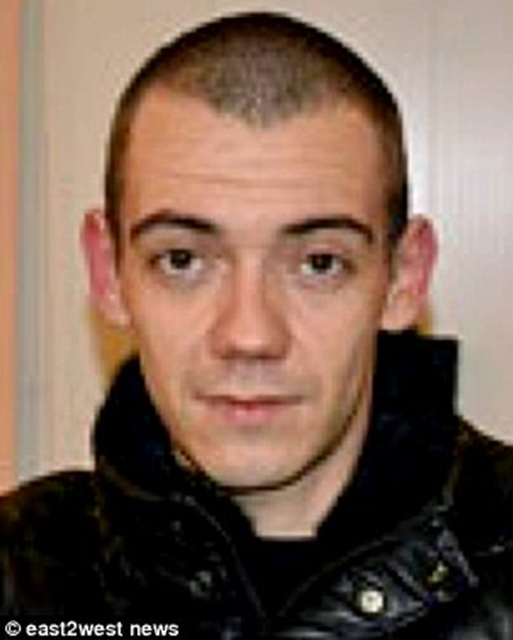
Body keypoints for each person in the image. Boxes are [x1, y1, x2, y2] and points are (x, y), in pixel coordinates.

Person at [1, 10, 513, 639]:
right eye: (183, 260)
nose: (250, 336)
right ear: (109, 273)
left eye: (319, 264)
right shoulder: (19, 578)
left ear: (404, 278)